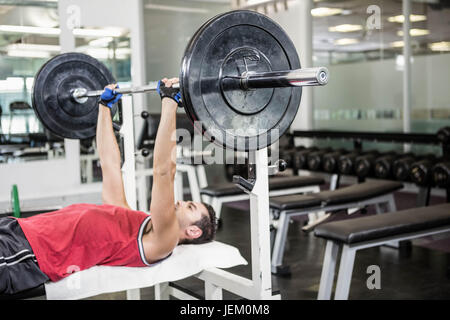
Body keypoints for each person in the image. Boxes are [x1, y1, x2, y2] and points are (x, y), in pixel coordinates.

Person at [0, 78, 217, 296]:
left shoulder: (164, 242)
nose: (180, 201)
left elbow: (164, 172)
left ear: (193, 231)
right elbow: (110, 164)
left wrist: (169, 103)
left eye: (189, 207)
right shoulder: (129, 221)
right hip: (20, 230)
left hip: (30, 254)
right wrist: (104, 110)